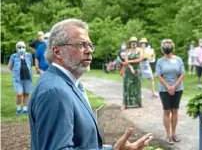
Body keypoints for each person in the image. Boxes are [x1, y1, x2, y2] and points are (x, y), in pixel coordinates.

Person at [28, 19, 152, 150]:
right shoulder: (55, 91)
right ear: (58, 52)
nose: (89, 51)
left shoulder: (68, 84)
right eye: (81, 45)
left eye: (90, 45)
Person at [155, 39, 185, 145]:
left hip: (178, 89)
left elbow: (182, 74)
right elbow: (158, 75)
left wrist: (174, 86)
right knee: (167, 111)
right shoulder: (160, 61)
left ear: (172, 47)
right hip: (164, 89)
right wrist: (168, 86)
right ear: (162, 48)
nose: (167, 47)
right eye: (165, 45)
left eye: (169, 45)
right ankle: (168, 135)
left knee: (175, 110)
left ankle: (174, 133)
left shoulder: (178, 60)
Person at [8, 41, 33, 114]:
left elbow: (30, 64)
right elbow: (10, 66)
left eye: (23, 47)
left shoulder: (29, 55)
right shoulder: (14, 56)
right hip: (18, 79)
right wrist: (15, 72)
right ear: (16, 48)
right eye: (19, 47)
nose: (21, 49)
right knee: (19, 94)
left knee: (26, 93)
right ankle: (18, 108)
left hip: (28, 78)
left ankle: (25, 109)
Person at [121, 37, 144, 110]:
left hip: (137, 69)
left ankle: (139, 102)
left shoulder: (139, 50)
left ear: (137, 43)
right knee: (127, 86)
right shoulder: (128, 51)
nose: (133, 43)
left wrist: (130, 62)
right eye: (132, 42)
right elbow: (126, 60)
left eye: (134, 42)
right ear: (130, 43)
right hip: (128, 71)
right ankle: (125, 103)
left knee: (137, 86)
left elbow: (140, 59)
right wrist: (130, 67)